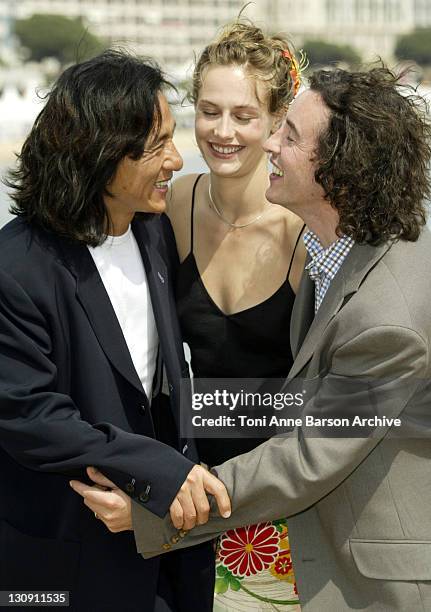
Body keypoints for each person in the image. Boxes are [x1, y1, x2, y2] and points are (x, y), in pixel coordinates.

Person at [81, 65, 431, 611]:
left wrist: (160, 507)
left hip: (368, 584)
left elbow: (309, 456)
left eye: (288, 135)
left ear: (340, 168)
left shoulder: (386, 321)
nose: (268, 142)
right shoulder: (344, 251)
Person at [71, 21, 307, 610]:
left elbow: (338, 398)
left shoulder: (307, 236)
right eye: (208, 111)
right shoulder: (170, 205)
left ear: (277, 122)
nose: (222, 132)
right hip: (184, 492)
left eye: (244, 115)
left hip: (280, 495)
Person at [0, 50, 231, 612]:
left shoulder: (152, 231)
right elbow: (29, 416)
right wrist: (159, 471)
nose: (177, 161)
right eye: (156, 147)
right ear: (100, 156)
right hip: (65, 562)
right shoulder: (16, 267)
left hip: (166, 552)